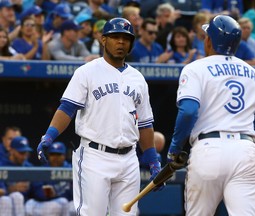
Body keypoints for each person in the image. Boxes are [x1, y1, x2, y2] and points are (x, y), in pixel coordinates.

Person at [37, 17, 162, 216]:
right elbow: (67, 108)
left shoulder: (138, 78)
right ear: (103, 40)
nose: (121, 42)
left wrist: (153, 160)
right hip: (95, 156)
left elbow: (145, 124)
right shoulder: (86, 72)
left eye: (125, 38)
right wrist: (49, 135)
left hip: (129, 159)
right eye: (115, 37)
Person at [167, 15, 255, 215]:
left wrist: (174, 149)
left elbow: (188, 112)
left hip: (209, 148)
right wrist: (246, 150)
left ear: (209, 41)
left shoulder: (195, 68)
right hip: (245, 148)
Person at [25, 142, 72, 216]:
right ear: (48, 156)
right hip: (48, 204)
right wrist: (46, 194)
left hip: (68, 203)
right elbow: (37, 193)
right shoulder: (43, 171)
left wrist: (56, 193)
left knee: (67, 204)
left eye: (58, 155)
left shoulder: (71, 170)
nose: (55, 158)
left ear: (64, 156)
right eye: (53, 154)